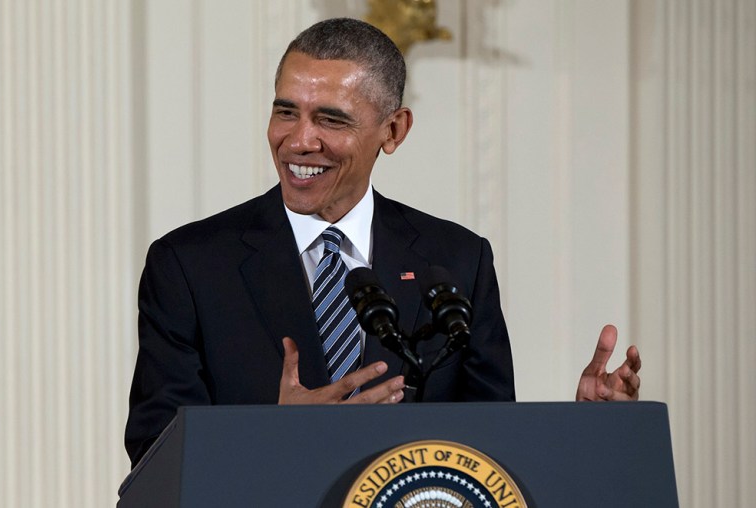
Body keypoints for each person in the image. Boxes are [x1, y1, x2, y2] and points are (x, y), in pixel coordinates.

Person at [125, 18, 641, 468]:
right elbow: (155, 455)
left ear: (393, 130)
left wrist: (588, 429)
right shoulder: (189, 266)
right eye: (286, 112)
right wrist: (271, 438)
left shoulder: (459, 261)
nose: (299, 140)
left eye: (330, 118)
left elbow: (487, 452)